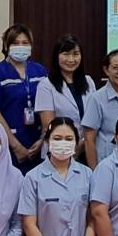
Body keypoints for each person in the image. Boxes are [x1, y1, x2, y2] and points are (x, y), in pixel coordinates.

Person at [0, 24, 48, 172]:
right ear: (6, 45)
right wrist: (16, 147)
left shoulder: (40, 71)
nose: (20, 47)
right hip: (9, 144)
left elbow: (48, 107)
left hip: (37, 143)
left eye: (25, 43)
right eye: (15, 43)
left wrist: (43, 139)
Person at [33, 34, 95, 162]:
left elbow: (94, 117)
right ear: (57, 56)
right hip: (58, 150)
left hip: (86, 148)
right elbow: (48, 125)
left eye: (76, 54)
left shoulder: (88, 81)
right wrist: (73, 146)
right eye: (66, 54)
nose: (71, 59)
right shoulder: (46, 85)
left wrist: (83, 143)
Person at [82, 49, 118, 168]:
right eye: (115, 68)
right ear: (106, 70)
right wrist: (95, 171)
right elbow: (89, 139)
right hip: (107, 163)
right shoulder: (96, 98)